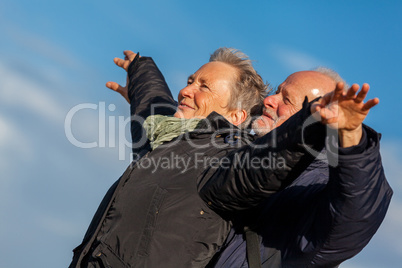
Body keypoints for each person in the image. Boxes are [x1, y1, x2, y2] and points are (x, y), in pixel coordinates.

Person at [70, 48, 320, 268]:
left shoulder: (226, 161)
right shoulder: (170, 143)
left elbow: (264, 167)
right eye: (191, 80)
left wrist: (315, 125)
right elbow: (154, 114)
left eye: (204, 86)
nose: (185, 90)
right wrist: (141, 71)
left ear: (235, 117)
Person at [199, 69, 393, 267]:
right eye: (277, 91)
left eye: (286, 100)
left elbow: (353, 215)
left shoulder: (315, 184)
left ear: (318, 118)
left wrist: (352, 138)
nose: (269, 100)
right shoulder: (235, 155)